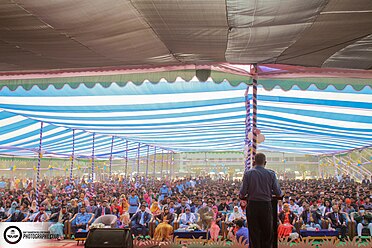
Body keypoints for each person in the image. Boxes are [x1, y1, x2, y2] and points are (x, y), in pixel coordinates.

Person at [240, 153, 282, 248]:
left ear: (254, 162)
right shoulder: (271, 174)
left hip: (252, 206)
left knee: (254, 233)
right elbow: (278, 192)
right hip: (266, 206)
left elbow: (242, 193)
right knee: (267, 233)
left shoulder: (248, 174)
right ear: (265, 162)